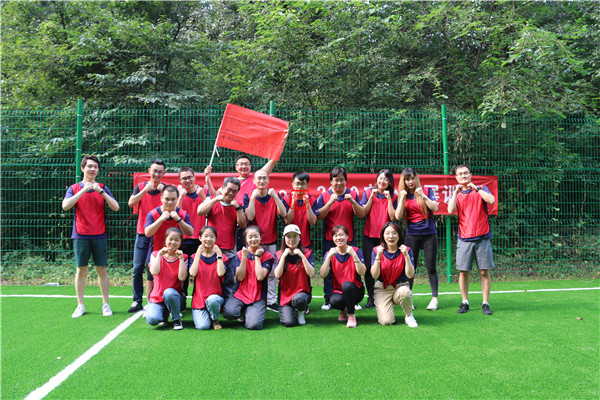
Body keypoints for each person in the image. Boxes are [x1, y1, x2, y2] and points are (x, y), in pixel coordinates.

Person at [62, 155, 119, 318]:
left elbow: (116, 207)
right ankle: (80, 305)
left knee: (102, 269)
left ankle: (106, 304)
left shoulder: (102, 187)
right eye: (89, 166)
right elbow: (65, 206)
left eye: (95, 167)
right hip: (80, 235)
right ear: (83, 168)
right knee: (81, 270)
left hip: (99, 234)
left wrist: (100, 191)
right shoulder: (74, 188)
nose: (92, 169)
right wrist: (84, 190)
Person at [447, 164, 496, 315]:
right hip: (464, 237)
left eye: (466, 173)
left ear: (470, 175)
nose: (463, 176)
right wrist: (455, 193)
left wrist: (477, 189)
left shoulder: (480, 189)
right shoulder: (456, 193)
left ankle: (485, 303)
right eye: (460, 174)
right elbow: (450, 210)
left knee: (483, 271)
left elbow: (491, 200)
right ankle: (465, 302)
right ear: (456, 177)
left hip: (482, 236)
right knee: (463, 272)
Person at [315, 167, 364, 310]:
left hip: (349, 240)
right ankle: (328, 299)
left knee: (354, 269)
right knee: (329, 270)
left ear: (346, 181)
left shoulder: (352, 194)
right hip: (330, 240)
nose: (339, 183)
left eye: (342, 180)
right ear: (330, 181)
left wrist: (353, 201)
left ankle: (354, 300)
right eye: (336, 180)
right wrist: (330, 202)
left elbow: (361, 214)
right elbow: (318, 216)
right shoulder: (324, 196)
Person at [395, 168, 440, 310]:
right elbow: (397, 216)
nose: (410, 182)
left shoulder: (426, 191)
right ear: (404, 181)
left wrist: (423, 196)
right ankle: (409, 299)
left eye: (413, 178)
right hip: (412, 235)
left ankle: (434, 299)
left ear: (417, 178)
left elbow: (436, 208)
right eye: (407, 179)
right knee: (410, 267)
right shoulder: (402, 195)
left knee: (431, 266)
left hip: (429, 234)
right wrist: (402, 199)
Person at [243, 169, 287, 311]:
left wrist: (275, 196)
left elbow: (284, 213)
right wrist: (252, 199)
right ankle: (253, 298)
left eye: (264, 178)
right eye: (259, 179)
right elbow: (249, 217)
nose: (261, 181)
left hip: (271, 240)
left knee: (272, 273)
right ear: (254, 181)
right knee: (253, 271)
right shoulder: (248, 196)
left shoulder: (274, 196)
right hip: (254, 242)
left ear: (268, 181)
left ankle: (271, 301)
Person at [144, 185, 194, 306]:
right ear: (161, 198)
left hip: (175, 253)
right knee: (151, 279)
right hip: (157, 251)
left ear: (177, 199)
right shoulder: (153, 213)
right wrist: (161, 219)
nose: (170, 202)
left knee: (180, 279)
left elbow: (190, 232)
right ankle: (150, 304)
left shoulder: (181, 214)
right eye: (167, 199)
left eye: (173, 199)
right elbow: (147, 232)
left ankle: (180, 303)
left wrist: (178, 219)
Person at [197, 177, 247, 299]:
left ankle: (228, 304)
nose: (231, 193)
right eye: (228, 189)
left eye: (234, 191)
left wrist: (237, 208)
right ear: (223, 187)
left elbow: (243, 225)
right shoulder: (211, 200)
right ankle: (208, 302)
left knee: (229, 279)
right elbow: (200, 212)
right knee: (211, 278)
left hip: (229, 249)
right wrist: (216, 200)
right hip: (210, 248)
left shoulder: (237, 205)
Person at [127, 159, 165, 313]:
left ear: (163, 174)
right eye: (154, 170)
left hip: (160, 236)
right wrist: (145, 191)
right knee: (137, 268)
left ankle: (155, 300)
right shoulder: (140, 186)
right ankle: (137, 301)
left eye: (160, 171)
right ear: (149, 171)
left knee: (154, 270)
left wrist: (164, 191)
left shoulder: (166, 189)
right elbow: (131, 203)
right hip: (142, 234)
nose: (156, 174)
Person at [222, 226, 274, 330]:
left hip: (257, 296)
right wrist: (244, 257)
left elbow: (260, 277)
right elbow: (240, 277)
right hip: (240, 293)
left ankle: (249, 311)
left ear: (260, 238)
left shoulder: (267, 256)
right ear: (246, 239)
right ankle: (242, 310)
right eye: (250, 237)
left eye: (256, 236)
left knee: (253, 325)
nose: (253, 239)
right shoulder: (240, 254)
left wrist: (257, 257)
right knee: (229, 313)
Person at [360, 169, 397, 309]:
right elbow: (363, 212)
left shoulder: (393, 196)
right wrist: (371, 197)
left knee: (386, 268)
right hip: (369, 236)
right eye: (380, 179)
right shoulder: (369, 193)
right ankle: (371, 297)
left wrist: (388, 199)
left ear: (390, 183)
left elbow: (393, 217)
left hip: (387, 238)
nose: (382, 182)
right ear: (376, 180)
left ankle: (386, 296)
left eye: (386, 180)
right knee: (369, 268)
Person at [370, 222, 418, 328]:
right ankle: (387, 304)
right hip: (382, 287)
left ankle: (409, 316)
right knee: (386, 321)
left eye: (394, 233)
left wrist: (406, 256)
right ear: (383, 235)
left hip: (400, 286)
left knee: (405, 292)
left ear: (399, 235)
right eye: (387, 233)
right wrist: (378, 256)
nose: (390, 236)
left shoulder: (406, 250)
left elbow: (410, 275)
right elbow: (374, 275)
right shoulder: (376, 250)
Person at [319, 225, 366, 328]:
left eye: (341, 235)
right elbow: (323, 274)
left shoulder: (356, 251)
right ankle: (344, 310)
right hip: (338, 291)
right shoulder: (329, 253)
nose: (338, 238)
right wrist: (328, 258)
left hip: (356, 290)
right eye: (335, 235)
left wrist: (354, 255)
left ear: (347, 236)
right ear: (332, 238)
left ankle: (351, 316)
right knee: (334, 301)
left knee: (347, 285)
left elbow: (362, 272)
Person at [176, 167, 208, 304]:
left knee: (200, 273)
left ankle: (199, 301)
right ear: (180, 180)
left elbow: (212, 209)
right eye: (184, 178)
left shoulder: (203, 193)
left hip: (200, 240)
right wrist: (181, 196)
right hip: (183, 239)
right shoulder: (179, 194)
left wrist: (202, 196)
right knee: (182, 273)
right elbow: (175, 213)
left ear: (195, 177)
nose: (187, 180)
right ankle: (181, 301)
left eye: (189, 177)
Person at [145, 228, 188, 330]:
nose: (173, 242)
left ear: (180, 242)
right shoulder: (155, 254)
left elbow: (182, 277)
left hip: (174, 297)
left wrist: (181, 259)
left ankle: (176, 319)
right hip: (157, 298)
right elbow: (154, 272)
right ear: (165, 240)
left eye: (177, 240)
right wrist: (160, 255)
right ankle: (164, 313)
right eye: (171, 239)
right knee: (152, 319)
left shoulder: (184, 257)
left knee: (168, 293)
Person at [274, 225, 315, 327]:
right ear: (284, 238)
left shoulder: (307, 253)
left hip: (302, 294)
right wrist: (283, 256)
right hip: (285, 295)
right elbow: (277, 275)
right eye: (288, 236)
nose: (291, 239)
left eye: (294, 236)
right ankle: (292, 309)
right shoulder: (279, 254)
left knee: (299, 299)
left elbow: (312, 273)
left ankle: (301, 312)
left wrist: (302, 256)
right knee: (289, 323)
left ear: (299, 238)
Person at [189, 226, 227, 330]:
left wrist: (219, 255)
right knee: (203, 326)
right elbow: (192, 273)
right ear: (200, 238)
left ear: (215, 239)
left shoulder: (222, 257)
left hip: (216, 298)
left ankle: (214, 319)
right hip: (199, 300)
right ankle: (207, 316)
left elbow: (220, 273)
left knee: (212, 300)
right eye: (205, 236)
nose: (208, 239)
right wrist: (198, 255)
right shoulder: (193, 257)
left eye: (211, 237)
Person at [282, 171, 319, 249]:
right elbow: (288, 221)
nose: (300, 187)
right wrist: (293, 204)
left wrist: (307, 204)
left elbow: (313, 222)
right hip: (289, 242)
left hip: (305, 242)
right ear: (293, 184)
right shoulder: (286, 199)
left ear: (307, 185)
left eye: (302, 184)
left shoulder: (312, 200)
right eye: (297, 184)